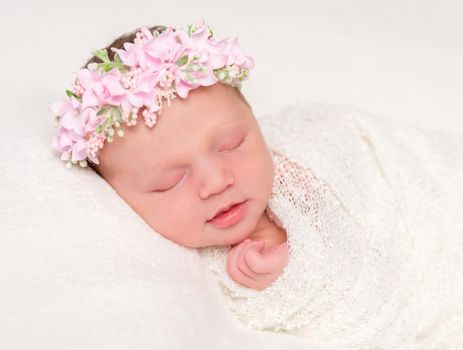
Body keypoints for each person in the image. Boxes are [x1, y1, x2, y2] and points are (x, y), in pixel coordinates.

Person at [50, 19, 463, 349]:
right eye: (170, 182)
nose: (215, 182)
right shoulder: (184, 268)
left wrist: (307, 217)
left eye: (232, 144)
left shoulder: (298, 159)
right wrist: (288, 273)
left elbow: (360, 176)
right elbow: (365, 298)